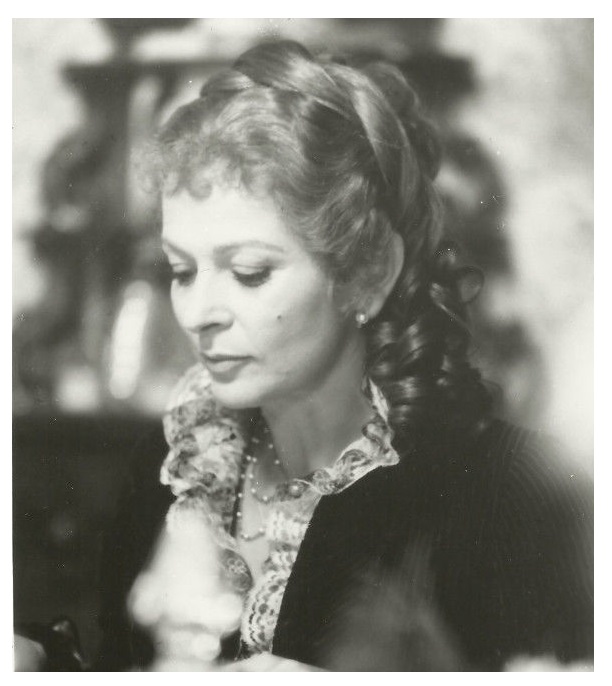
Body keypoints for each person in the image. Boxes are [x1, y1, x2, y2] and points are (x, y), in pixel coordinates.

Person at [19, 39, 594, 671]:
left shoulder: (507, 497)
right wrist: (40, 662)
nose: (198, 312)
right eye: (181, 271)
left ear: (367, 273)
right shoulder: (178, 465)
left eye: (249, 272)